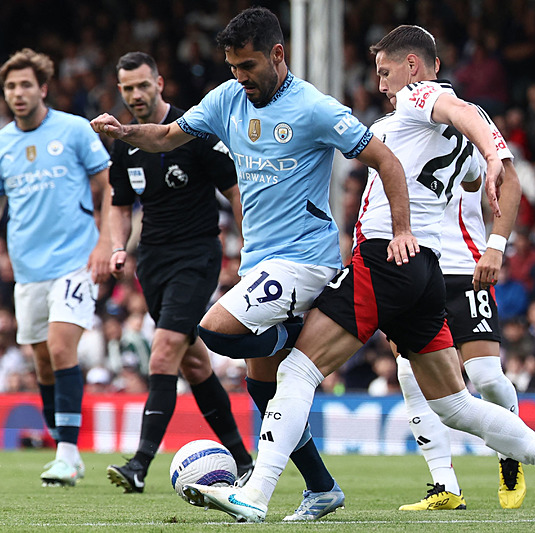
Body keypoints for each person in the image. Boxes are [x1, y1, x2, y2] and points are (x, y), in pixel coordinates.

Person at [179, 24, 535, 524]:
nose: (380, 84)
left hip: (386, 257)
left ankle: (257, 493)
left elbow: (460, 115)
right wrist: (496, 234)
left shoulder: (424, 97)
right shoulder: (458, 132)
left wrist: (490, 155)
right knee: (456, 406)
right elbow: (502, 181)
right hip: (426, 272)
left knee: (297, 369)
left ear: (414, 67)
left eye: (385, 72)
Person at [91, 7, 415, 520]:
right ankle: (322, 489)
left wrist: (400, 229)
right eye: (233, 67)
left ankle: (291, 334)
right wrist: (125, 134)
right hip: (260, 263)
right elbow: (168, 135)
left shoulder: (314, 107)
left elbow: (386, 161)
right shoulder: (225, 99)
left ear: (277, 55)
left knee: (214, 330)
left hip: (305, 258)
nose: (240, 77)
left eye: (248, 66)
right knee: (263, 388)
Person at [103, 51, 254, 493]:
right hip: (152, 261)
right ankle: (243, 460)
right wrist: (117, 247)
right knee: (192, 362)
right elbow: (119, 204)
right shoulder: (123, 141)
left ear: (160, 83)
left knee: (164, 351)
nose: (135, 95)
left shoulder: (193, 131)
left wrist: (253, 248)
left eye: (142, 85)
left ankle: (140, 464)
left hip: (197, 256)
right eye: (127, 88)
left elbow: (235, 190)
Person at [0, 48, 112, 486]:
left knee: (63, 348)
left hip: (75, 260)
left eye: (26, 84)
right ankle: (66, 447)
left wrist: (106, 241)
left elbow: (106, 186)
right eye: (10, 86)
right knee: (43, 362)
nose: (18, 93)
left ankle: (65, 453)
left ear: (43, 88)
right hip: (28, 270)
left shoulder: (74, 130)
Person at [394, 96, 525, 510]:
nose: (381, 83)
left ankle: (511, 452)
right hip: (414, 268)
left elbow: (507, 179)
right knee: (410, 375)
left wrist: (496, 246)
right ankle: (444, 485)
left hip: (465, 267)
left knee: (485, 377)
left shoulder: (468, 117)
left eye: (386, 72)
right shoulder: (393, 125)